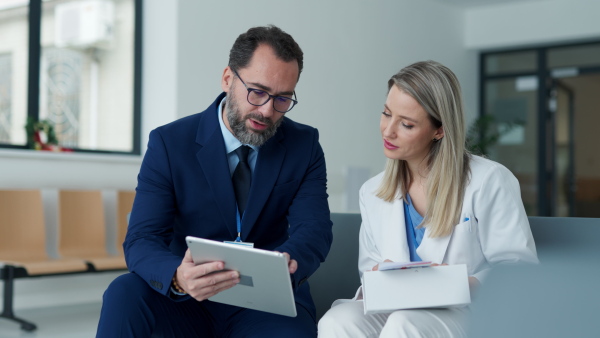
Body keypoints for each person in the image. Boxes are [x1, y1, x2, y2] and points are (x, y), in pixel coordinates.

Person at [96, 25, 332, 337]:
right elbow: (141, 239)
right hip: (186, 297)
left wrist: (288, 262)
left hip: (266, 302)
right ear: (228, 79)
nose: (267, 110)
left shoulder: (304, 144)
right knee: (123, 293)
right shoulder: (170, 143)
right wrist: (178, 277)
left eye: (282, 99)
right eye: (257, 92)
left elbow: (314, 229)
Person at [317, 60, 538, 337]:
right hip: (398, 308)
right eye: (387, 114)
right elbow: (369, 271)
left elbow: (518, 272)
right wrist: (377, 278)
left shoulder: (489, 180)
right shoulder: (372, 192)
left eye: (406, 124)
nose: (388, 131)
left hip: (468, 311)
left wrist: (452, 283)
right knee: (337, 320)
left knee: (404, 324)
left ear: (439, 130)